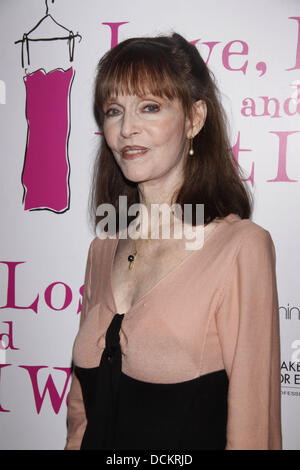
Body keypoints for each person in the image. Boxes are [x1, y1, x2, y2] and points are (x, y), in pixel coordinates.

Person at [64, 33, 282, 450]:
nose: (127, 129)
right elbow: (80, 419)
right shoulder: (101, 253)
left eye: (149, 107)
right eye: (114, 111)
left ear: (194, 118)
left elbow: (255, 426)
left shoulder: (240, 249)